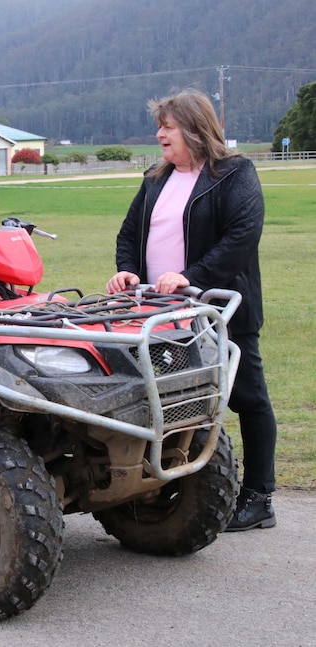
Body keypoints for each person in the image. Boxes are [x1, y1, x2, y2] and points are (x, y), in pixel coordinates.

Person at [106, 88, 277, 532]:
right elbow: (128, 236)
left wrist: (192, 277)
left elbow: (241, 237)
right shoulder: (155, 178)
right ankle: (178, 488)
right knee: (174, 401)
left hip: (219, 313)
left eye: (168, 126)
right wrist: (126, 271)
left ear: (194, 129)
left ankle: (259, 498)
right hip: (161, 318)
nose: (160, 133)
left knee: (247, 398)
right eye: (160, 126)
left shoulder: (234, 173)